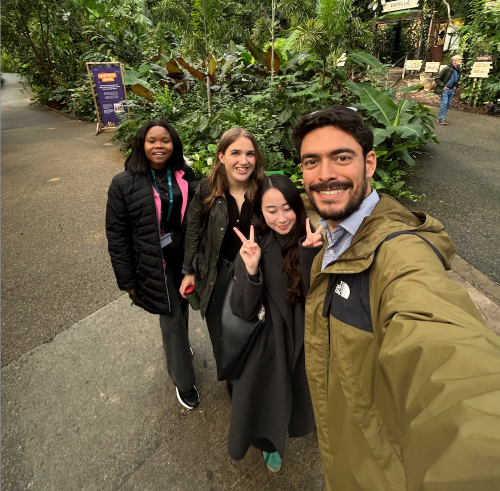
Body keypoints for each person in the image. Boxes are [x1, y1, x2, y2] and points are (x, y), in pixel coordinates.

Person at [293, 105, 500, 491]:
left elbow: (447, 359)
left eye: (342, 157)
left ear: (369, 163)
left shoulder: (401, 256)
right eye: (311, 162)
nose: (325, 175)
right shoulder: (333, 229)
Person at [106, 119, 200, 410]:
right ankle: (183, 381)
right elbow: (117, 234)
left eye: (165, 140)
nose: (159, 146)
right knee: (171, 313)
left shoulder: (184, 174)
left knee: (182, 305)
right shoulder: (124, 183)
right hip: (151, 260)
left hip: (182, 257)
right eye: (152, 141)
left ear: (174, 144)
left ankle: (177, 348)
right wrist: (127, 280)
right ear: (141, 145)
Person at [228, 175, 317, 472]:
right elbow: (241, 309)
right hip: (267, 346)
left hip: (304, 341)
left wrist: (310, 254)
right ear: (260, 213)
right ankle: (268, 443)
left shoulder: (311, 238)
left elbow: (318, 297)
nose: (281, 218)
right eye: (271, 210)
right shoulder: (255, 247)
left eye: (287, 208)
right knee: (265, 402)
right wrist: (251, 270)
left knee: (299, 396)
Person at [180, 127, 265, 317]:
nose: (243, 161)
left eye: (250, 154)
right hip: (216, 274)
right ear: (221, 156)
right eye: (235, 153)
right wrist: (188, 271)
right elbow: (192, 231)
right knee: (219, 327)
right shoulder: (206, 190)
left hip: (254, 274)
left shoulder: (265, 191)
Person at [434, 54, 462, 124]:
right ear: (454, 61)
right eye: (459, 59)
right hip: (446, 89)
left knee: (448, 104)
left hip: (452, 89)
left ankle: (442, 117)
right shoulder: (447, 68)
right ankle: (441, 119)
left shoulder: (458, 69)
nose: (461, 61)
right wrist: (443, 86)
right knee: (444, 103)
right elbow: (437, 78)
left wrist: (455, 86)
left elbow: (457, 78)